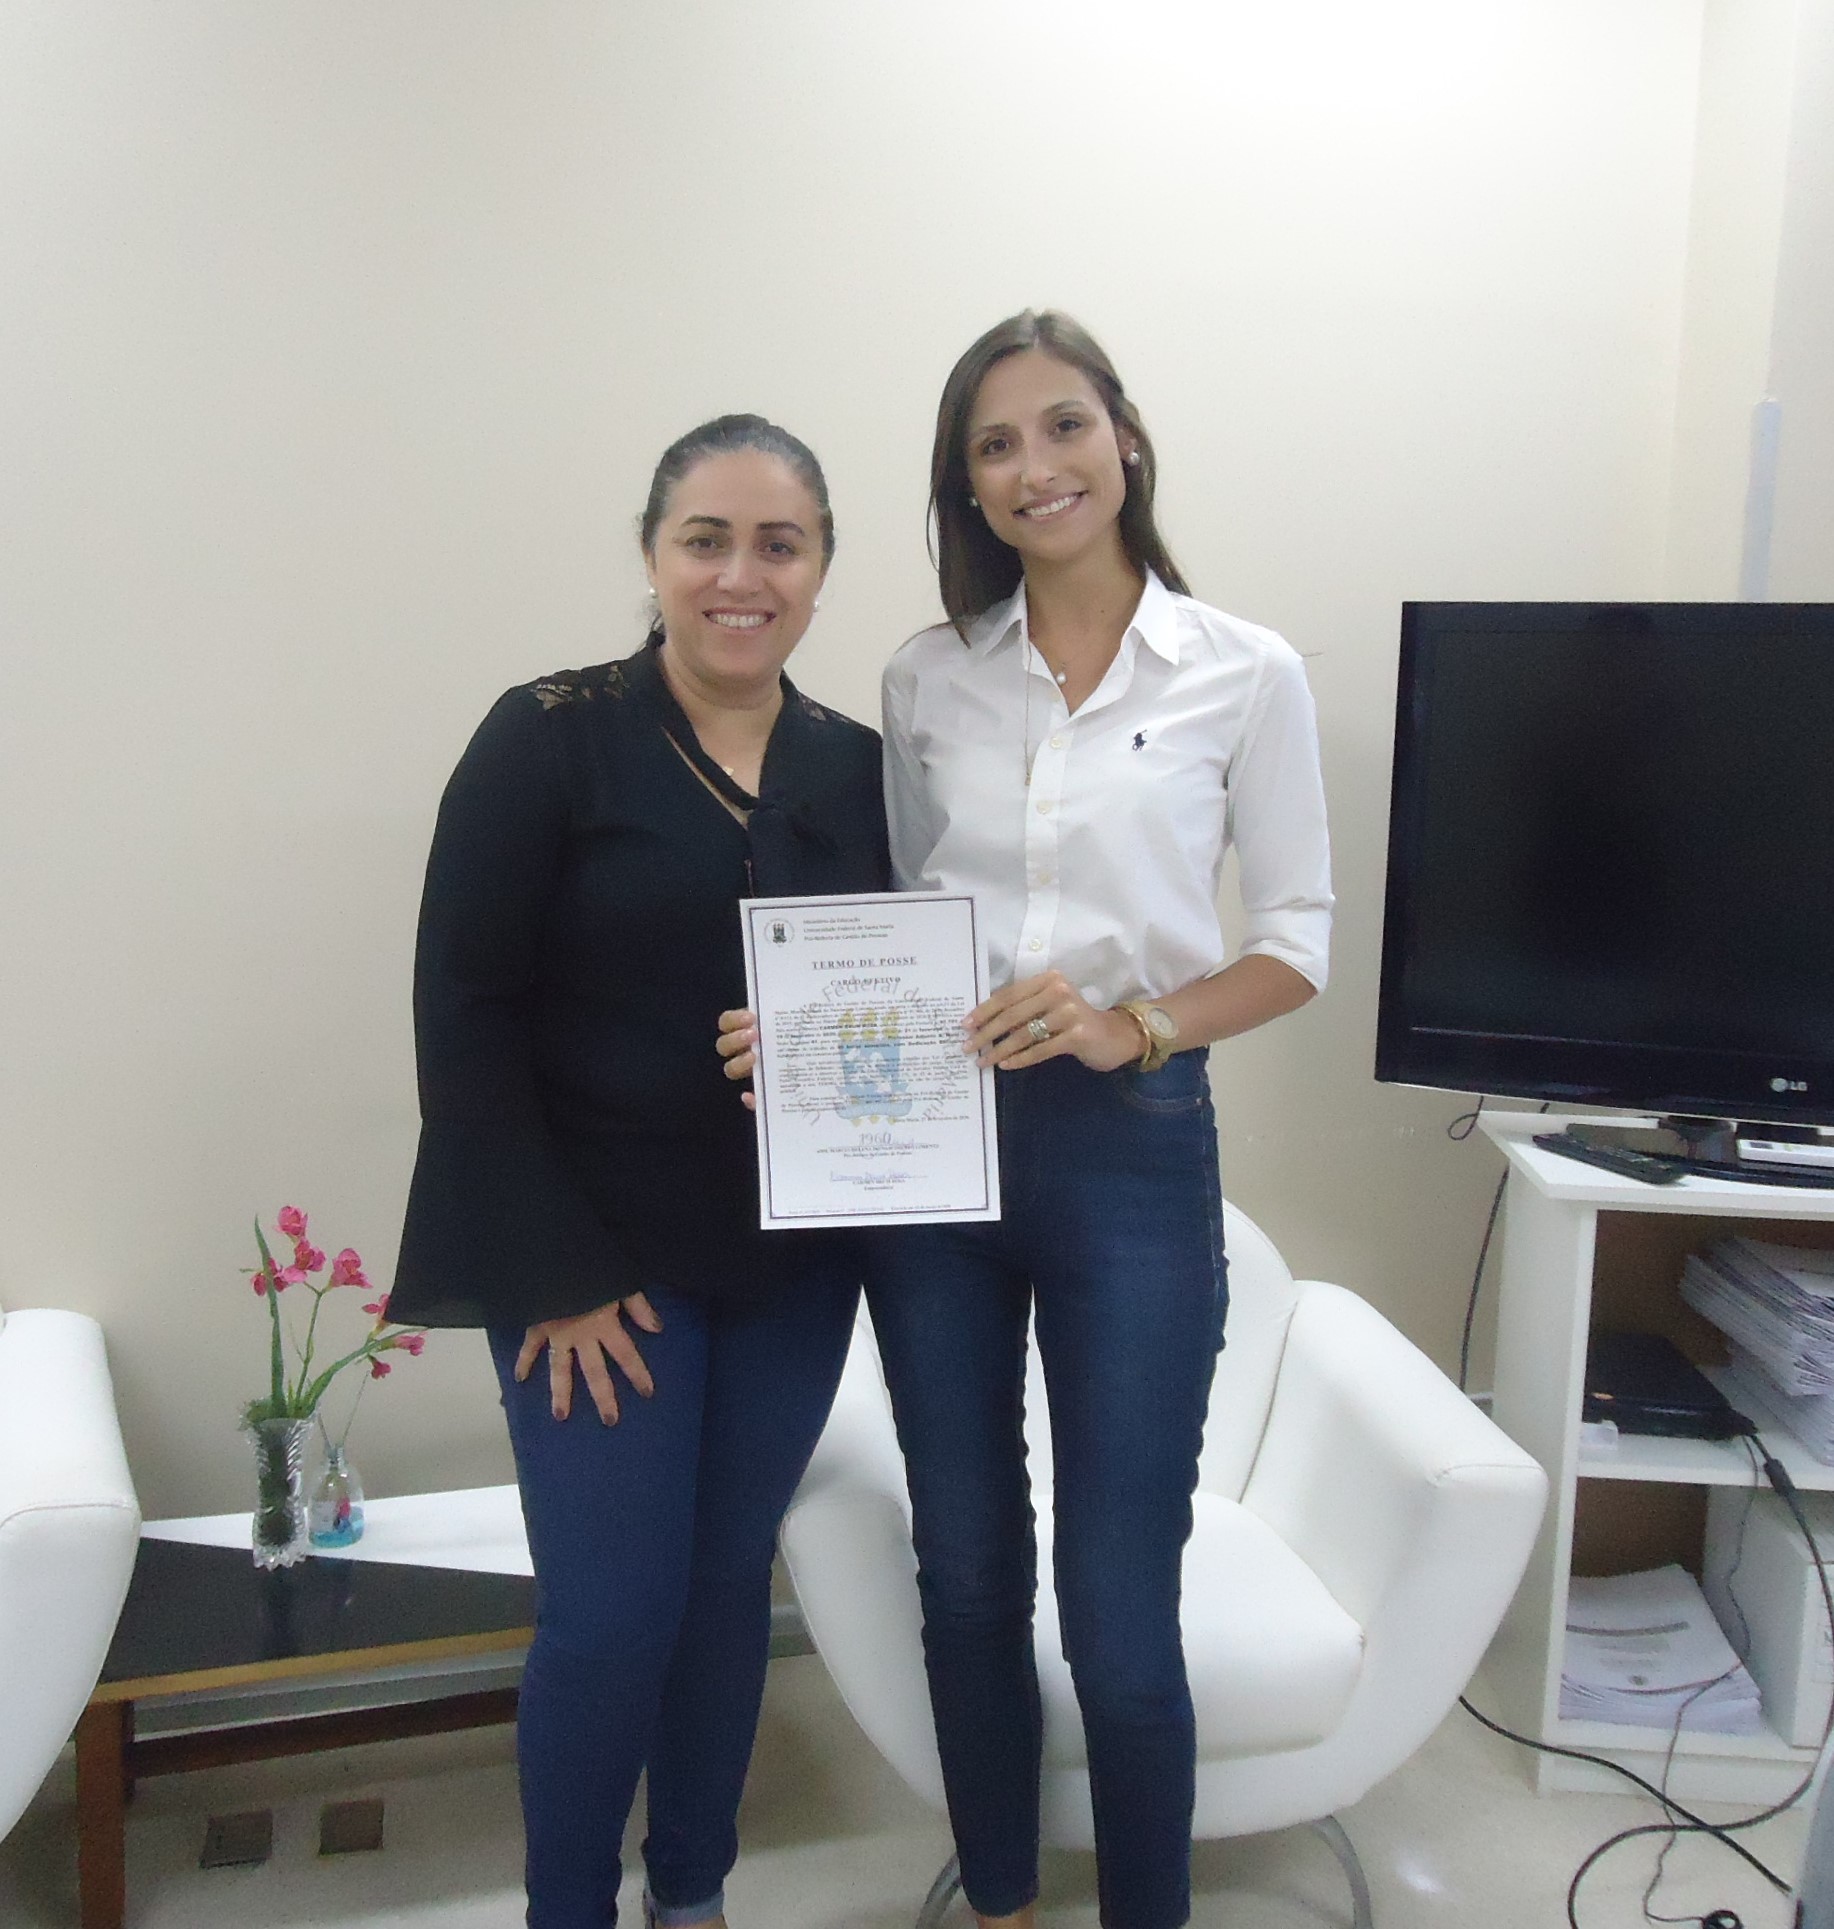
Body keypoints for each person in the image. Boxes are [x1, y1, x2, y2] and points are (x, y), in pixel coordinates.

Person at [724, 311, 1331, 1929]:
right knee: (970, 1571)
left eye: (1060, 425)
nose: (1032, 466)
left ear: (1122, 436)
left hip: (1130, 1157)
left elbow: (1295, 944)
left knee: (1117, 1611)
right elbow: (896, 921)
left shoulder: (1241, 671)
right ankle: (998, 1902)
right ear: (967, 486)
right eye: (992, 445)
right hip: (935, 1157)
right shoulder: (926, 675)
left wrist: (1135, 1023)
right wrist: (802, 1027)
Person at [391, 414, 888, 1929]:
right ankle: (568, 1909)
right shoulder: (548, 734)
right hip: (591, 1269)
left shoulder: (860, 768)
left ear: (820, 568)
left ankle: (692, 1895)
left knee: (728, 1590)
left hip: (793, 1269)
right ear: (654, 554)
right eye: (706, 540)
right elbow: (463, 1010)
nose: (741, 575)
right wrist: (552, 1270)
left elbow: (897, 1000)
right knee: (612, 1616)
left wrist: (846, 1045)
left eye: (778, 545)